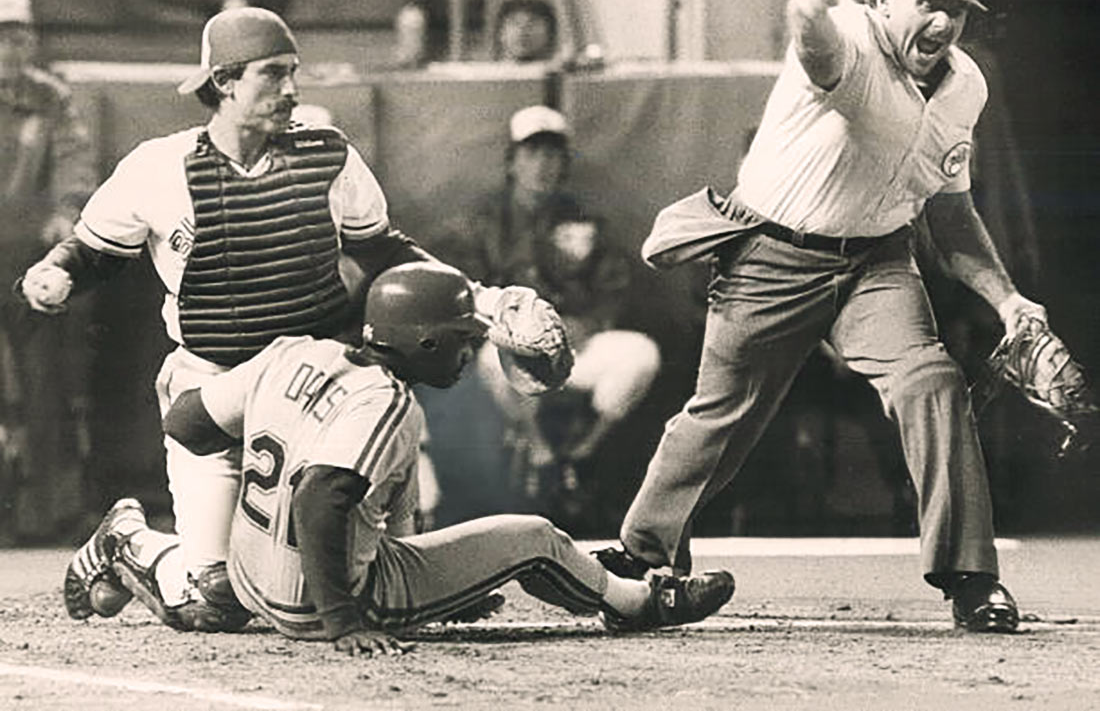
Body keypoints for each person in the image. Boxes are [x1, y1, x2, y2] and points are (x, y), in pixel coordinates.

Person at [595, 0, 1044, 634]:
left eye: (958, 9)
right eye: (928, 3)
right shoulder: (850, 38)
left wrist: (1007, 299)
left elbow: (951, 214)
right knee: (722, 415)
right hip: (774, 253)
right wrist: (806, 13)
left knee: (932, 380)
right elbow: (819, 53)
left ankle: (972, 578)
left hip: (877, 261)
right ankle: (638, 558)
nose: (943, 23)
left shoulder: (967, 88)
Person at [19, 6, 473, 631]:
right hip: (211, 384)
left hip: (312, 393)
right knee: (215, 602)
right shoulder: (161, 166)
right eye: (272, 74)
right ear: (225, 82)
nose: (290, 90)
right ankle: (128, 541)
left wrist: (479, 301)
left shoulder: (329, 156)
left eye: (293, 73)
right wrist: (58, 271)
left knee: (353, 565)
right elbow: (96, 250)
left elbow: (386, 252)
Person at [72, 262, 734, 652]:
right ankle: (638, 600)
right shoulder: (389, 403)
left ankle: (131, 537)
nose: (469, 351)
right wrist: (343, 622)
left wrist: (276, 429)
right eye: (458, 339)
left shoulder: (291, 352)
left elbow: (185, 421)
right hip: (320, 600)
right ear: (419, 342)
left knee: (388, 513)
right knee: (534, 537)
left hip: (245, 579)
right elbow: (318, 496)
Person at [439, 105, 660, 519]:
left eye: (552, 155)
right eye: (532, 154)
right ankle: (541, 453)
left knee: (640, 354)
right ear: (512, 161)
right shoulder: (481, 222)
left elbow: (614, 287)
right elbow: (461, 290)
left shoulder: (583, 219)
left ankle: (583, 453)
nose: (542, 165)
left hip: (574, 345)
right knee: (492, 359)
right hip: (511, 346)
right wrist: (506, 327)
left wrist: (588, 324)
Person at [0, 0, 97, 543]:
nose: (10, 50)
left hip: (29, 260)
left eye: (18, 38)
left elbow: (74, 160)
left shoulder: (52, 99)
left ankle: (49, 514)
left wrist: (66, 210)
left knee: (46, 383)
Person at [492, 0, 559, 63]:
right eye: (515, 22)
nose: (523, 29)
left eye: (533, 22)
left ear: (550, 32)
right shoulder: (484, 72)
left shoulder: (564, 73)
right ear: (500, 33)